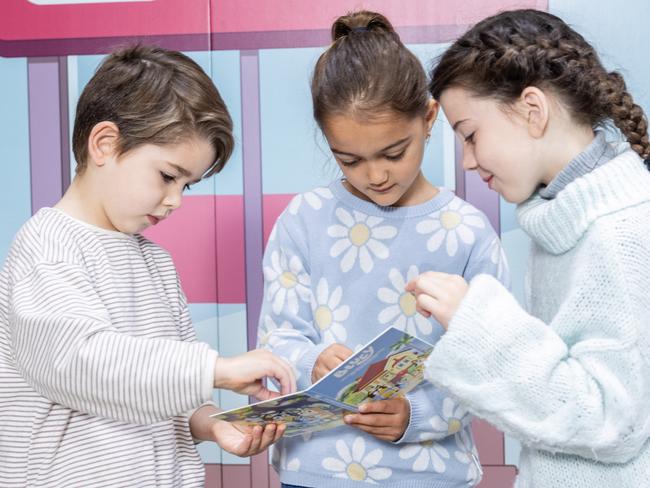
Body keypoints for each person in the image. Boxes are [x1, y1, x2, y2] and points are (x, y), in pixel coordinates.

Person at [0, 45, 295, 488]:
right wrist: (217, 369)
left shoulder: (155, 262)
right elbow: (80, 363)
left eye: (187, 186)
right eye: (167, 176)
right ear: (104, 144)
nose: (175, 200)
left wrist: (211, 422)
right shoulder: (47, 247)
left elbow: (158, 390)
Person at [257, 11, 509, 488]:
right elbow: (275, 340)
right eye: (348, 159)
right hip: (314, 472)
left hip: (431, 475)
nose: (375, 175)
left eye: (394, 152)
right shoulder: (303, 219)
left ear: (430, 117)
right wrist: (312, 361)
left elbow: (488, 364)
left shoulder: (467, 232)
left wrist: (418, 414)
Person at [406, 9, 650, 487]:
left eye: (470, 135)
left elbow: (609, 421)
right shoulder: (565, 221)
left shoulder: (619, 234)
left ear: (532, 110)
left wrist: (477, 324)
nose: (468, 161)